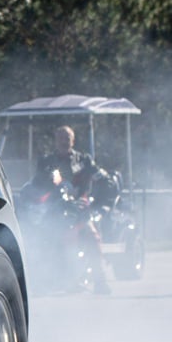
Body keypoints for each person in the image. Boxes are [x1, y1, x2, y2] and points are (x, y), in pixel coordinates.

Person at [41, 125, 114, 293]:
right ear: (55, 140)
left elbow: (102, 178)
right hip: (53, 211)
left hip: (79, 210)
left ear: (73, 141)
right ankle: (41, 280)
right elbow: (37, 184)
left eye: (67, 138)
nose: (63, 142)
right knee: (35, 236)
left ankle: (100, 280)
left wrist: (99, 201)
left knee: (92, 237)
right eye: (60, 138)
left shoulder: (84, 160)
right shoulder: (47, 162)